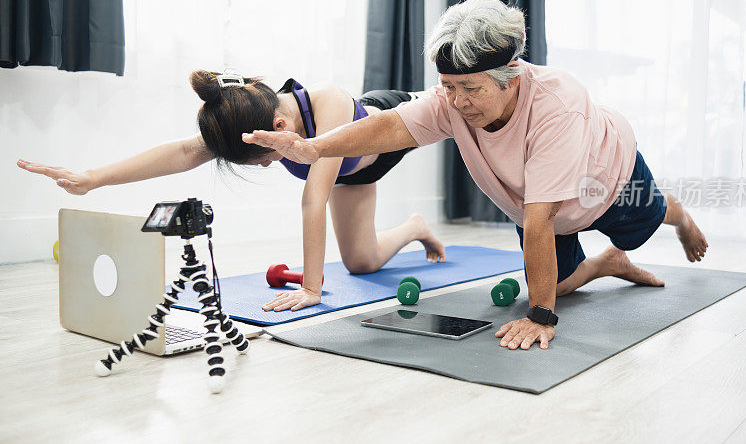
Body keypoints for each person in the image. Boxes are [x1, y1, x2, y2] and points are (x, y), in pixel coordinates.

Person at [242, 0, 709, 351]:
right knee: (558, 284)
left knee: (642, 223)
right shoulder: (452, 103)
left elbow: (540, 218)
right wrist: (311, 146)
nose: (458, 101)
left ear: (510, 73)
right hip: (538, 207)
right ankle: (606, 264)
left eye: (470, 88)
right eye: (448, 87)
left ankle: (678, 214)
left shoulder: (558, 106)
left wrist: (542, 318)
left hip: (607, 181)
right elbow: (388, 126)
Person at [18, 70, 446, 312]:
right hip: (354, 175)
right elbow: (184, 151)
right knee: (362, 262)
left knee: (454, 114)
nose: (264, 163)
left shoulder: (329, 102)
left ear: (279, 129)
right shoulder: (248, 120)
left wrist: (313, 288)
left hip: (390, 128)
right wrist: (93, 179)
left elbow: (314, 197)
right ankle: (415, 226)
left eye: (263, 158)